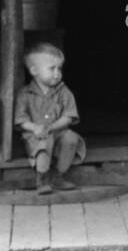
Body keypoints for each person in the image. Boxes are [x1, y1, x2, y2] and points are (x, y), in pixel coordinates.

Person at [15, 42, 85, 195]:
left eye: (59, 68)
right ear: (34, 71)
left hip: (57, 131)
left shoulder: (64, 92)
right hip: (36, 135)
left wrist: (51, 127)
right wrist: (35, 128)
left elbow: (68, 117)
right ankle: (42, 179)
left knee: (71, 138)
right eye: (52, 68)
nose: (57, 73)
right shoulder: (25, 94)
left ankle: (58, 176)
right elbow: (21, 120)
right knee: (43, 142)